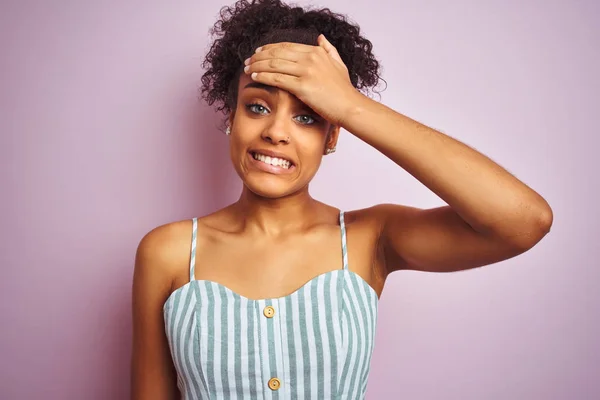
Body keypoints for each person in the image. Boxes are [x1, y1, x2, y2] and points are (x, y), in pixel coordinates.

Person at [130, 0, 553, 398]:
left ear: (332, 137)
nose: (276, 132)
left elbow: (524, 221)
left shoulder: (370, 239)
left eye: (307, 116)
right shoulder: (167, 252)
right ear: (231, 116)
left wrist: (350, 106)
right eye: (257, 107)